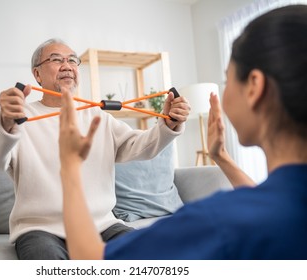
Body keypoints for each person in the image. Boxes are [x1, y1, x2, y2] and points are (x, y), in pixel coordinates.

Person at [58, 5, 307, 259]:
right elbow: (267, 205)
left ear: (254, 87)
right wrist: (221, 156)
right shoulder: (283, 207)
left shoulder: (215, 220)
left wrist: (70, 167)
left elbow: (92, 263)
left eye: (226, 80)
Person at [0, 38, 190, 259]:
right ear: (37, 75)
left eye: (73, 60)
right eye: (56, 59)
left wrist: (170, 124)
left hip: (102, 225)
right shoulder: (19, 116)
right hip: (40, 230)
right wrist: (6, 122)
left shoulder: (97, 115)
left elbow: (139, 146)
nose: (67, 65)